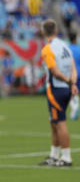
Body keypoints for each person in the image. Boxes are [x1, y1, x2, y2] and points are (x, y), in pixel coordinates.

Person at [39, 19, 77, 167]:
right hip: (66, 89)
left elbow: (54, 71)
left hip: (55, 90)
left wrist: (68, 81)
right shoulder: (65, 45)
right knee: (53, 122)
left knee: (60, 123)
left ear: (43, 32)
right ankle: (54, 155)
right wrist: (72, 83)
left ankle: (66, 157)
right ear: (56, 30)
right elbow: (73, 66)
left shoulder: (47, 49)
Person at [68, 32, 80, 120]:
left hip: (71, 74)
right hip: (79, 73)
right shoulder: (79, 49)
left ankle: (75, 108)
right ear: (76, 39)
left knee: (72, 92)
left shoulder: (67, 49)